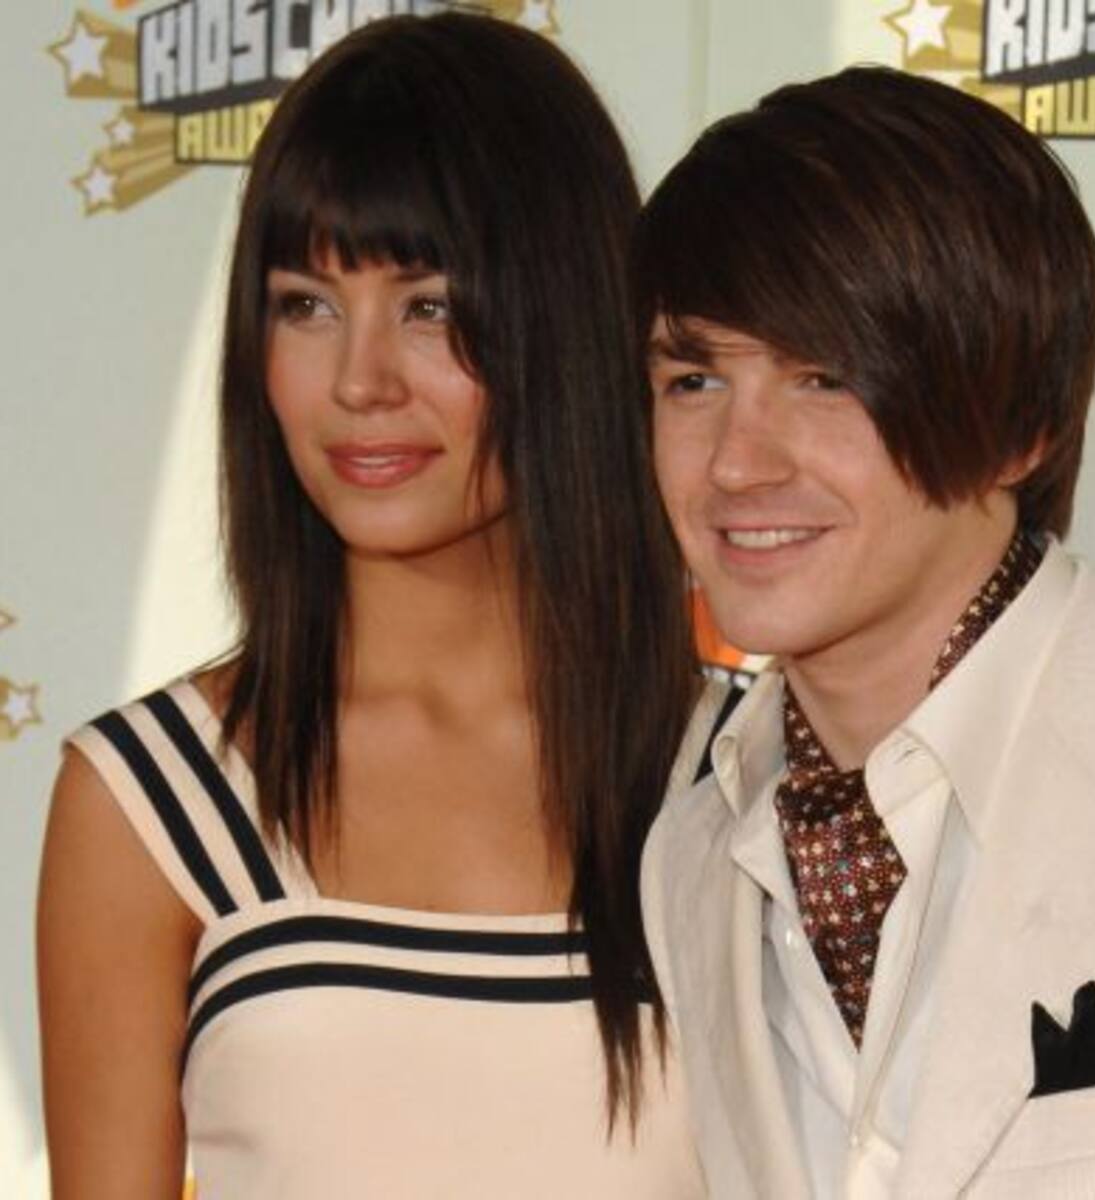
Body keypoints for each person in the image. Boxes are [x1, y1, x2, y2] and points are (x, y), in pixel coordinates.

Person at [38, 14, 703, 1199]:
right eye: (306, 305)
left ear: (566, 321)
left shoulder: (744, 774)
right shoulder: (151, 802)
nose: (360, 380)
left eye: (429, 306)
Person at [637, 66, 1095, 1198]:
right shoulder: (691, 855)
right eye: (694, 380)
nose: (737, 463)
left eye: (824, 377)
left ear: (1020, 424)